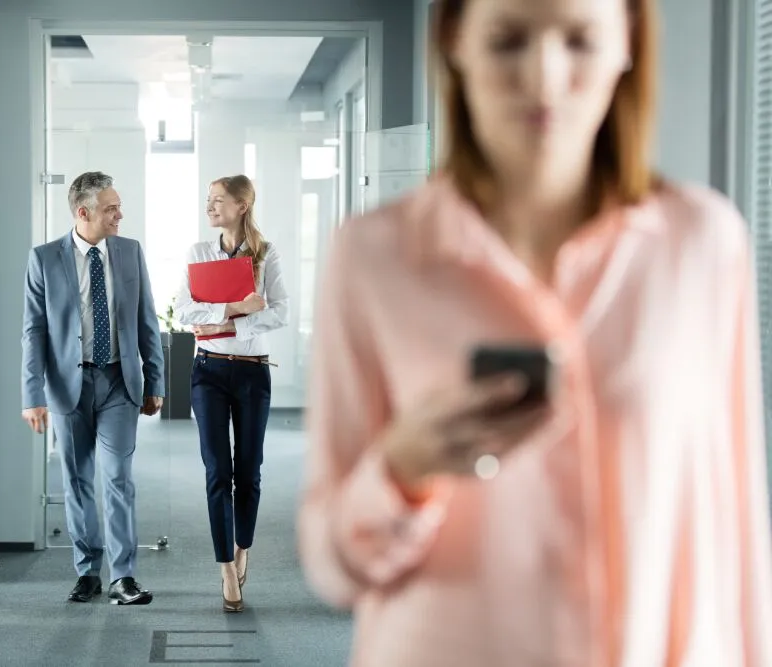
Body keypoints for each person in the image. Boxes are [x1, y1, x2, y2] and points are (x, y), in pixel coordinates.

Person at [298, 0, 772, 665]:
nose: (545, 79)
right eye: (508, 40)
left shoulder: (700, 243)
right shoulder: (372, 257)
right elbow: (331, 564)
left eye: (580, 40)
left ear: (628, 42)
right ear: (456, 40)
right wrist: (403, 467)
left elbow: (735, 526)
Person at [21, 171, 165, 606]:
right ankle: (88, 572)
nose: (119, 214)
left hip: (119, 382)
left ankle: (123, 576)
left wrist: (154, 379)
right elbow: (34, 331)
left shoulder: (129, 252)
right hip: (68, 386)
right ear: (83, 213)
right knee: (78, 480)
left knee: (117, 477)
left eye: (118, 206)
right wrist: (32, 395)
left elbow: (147, 320)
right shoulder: (45, 258)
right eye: (110, 209)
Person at [173, 175, 289, 612]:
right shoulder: (198, 254)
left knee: (249, 470)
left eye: (218, 200)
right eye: (208, 200)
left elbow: (280, 311)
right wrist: (238, 307)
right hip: (208, 372)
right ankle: (226, 567)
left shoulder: (265, 253)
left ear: (243, 205)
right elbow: (184, 310)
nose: (210, 207)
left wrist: (228, 325)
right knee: (217, 470)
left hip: (253, 372)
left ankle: (244, 549)